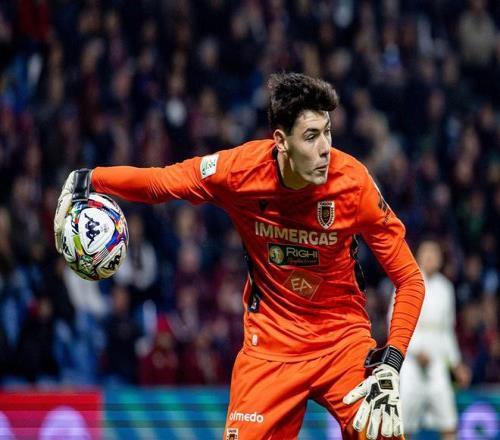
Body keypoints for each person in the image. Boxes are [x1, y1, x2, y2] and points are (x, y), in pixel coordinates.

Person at [54, 73, 425, 439]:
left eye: (327, 132)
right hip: (271, 346)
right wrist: (89, 179)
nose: (325, 148)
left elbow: (410, 279)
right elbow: (161, 182)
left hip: (341, 341)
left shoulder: (354, 183)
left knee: (382, 433)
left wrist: (391, 361)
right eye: (311, 136)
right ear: (281, 140)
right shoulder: (239, 171)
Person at [393, 240, 470, 440]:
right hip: (411, 362)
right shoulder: (406, 282)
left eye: (434, 253)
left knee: (449, 422)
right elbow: (394, 323)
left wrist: (456, 363)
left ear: (440, 259)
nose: (430, 257)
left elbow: (448, 330)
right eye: (426, 252)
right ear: (418, 256)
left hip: (437, 362)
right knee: (404, 425)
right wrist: (416, 350)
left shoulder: (446, 288)